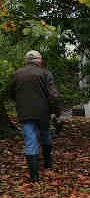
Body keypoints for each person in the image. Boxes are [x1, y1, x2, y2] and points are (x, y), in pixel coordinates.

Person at [7, 50, 62, 182]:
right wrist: (56, 113)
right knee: (45, 135)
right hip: (43, 113)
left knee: (29, 141)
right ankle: (48, 165)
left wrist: (20, 102)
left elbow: (10, 93)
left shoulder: (17, 74)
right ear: (40, 61)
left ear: (26, 61)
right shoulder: (45, 73)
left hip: (24, 113)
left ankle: (34, 176)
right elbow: (54, 96)